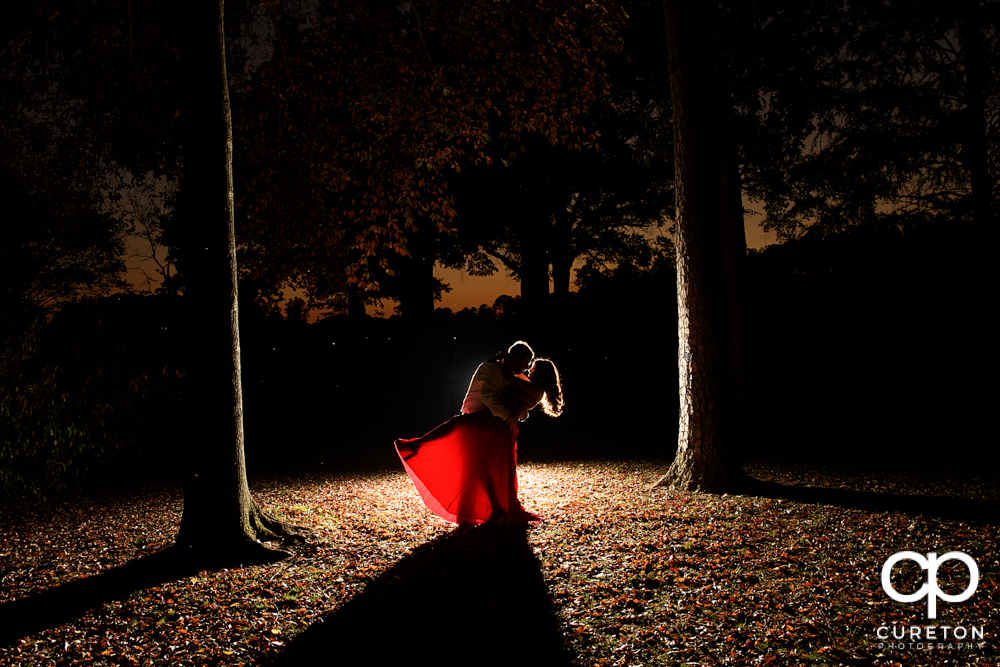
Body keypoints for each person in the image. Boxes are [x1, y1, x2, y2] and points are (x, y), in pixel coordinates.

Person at [394, 341, 563, 525]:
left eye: (533, 367)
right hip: (495, 419)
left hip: (499, 423)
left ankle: (495, 507)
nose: (528, 369)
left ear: (541, 374)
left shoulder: (535, 388)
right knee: (466, 440)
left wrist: (506, 362)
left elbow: (511, 382)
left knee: (491, 464)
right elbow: (508, 393)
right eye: (528, 364)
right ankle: (491, 506)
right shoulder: (517, 377)